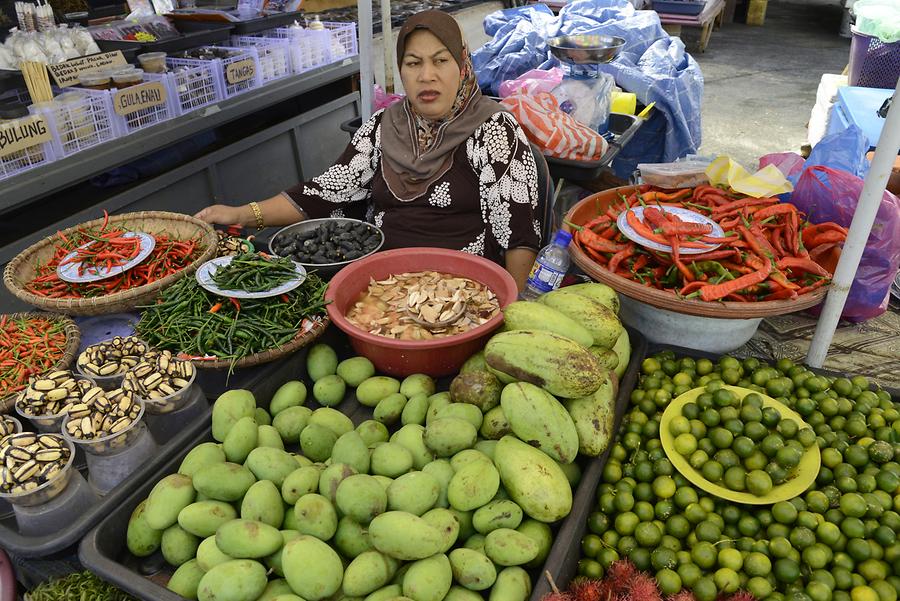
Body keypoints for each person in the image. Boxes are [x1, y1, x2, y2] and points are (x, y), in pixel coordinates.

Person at [195, 10, 541, 289]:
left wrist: (509, 307)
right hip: (376, 284)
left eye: (440, 61)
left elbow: (519, 231)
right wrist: (241, 214)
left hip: (462, 289)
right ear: (401, 71)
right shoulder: (383, 125)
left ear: (463, 66)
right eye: (413, 63)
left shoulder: (493, 129)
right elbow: (325, 191)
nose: (426, 75)